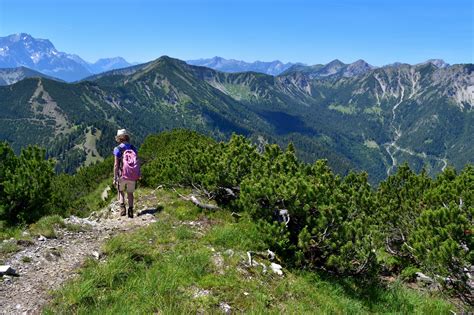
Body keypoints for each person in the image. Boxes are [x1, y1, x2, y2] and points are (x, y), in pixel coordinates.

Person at [113, 129, 140, 218]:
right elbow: (137, 161)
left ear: (119, 139)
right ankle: (131, 210)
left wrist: (115, 177)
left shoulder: (117, 149)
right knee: (130, 193)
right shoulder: (133, 148)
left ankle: (122, 208)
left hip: (122, 175)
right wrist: (138, 173)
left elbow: (116, 165)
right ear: (127, 137)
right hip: (132, 174)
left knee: (120, 191)